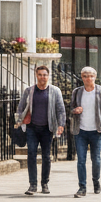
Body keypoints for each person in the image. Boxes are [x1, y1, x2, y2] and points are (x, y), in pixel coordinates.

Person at [17, 65, 66, 195]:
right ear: (36, 75)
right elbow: (21, 107)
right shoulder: (29, 91)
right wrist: (20, 120)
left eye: (45, 75)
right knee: (31, 155)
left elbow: (61, 109)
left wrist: (61, 125)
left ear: (48, 76)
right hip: (32, 128)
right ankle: (32, 185)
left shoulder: (55, 91)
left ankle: (45, 183)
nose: (42, 77)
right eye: (40, 75)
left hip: (47, 128)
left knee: (46, 156)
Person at [71, 67, 101, 197]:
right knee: (81, 160)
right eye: (85, 76)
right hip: (80, 131)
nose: (88, 79)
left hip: (96, 131)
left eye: (91, 76)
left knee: (96, 159)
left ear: (95, 77)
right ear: (82, 78)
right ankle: (82, 187)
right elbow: (70, 108)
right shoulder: (77, 92)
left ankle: (96, 181)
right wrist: (74, 111)